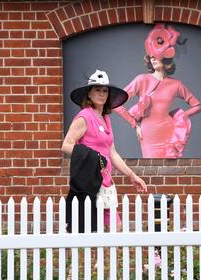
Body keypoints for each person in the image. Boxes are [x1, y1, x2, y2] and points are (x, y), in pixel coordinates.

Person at [62, 69, 147, 233]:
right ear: (89, 94)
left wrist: (132, 175)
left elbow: (112, 152)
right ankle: (94, 259)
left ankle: (104, 260)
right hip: (90, 182)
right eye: (97, 90)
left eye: (105, 91)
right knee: (88, 230)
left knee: (115, 227)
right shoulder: (84, 117)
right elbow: (66, 145)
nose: (101, 94)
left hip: (106, 182)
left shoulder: (106, 118)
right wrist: (92, 156)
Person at [114, 23, 201, 158]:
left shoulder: (176, 84)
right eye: (151, 56)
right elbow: (115, 102)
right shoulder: (141, 80)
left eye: (156, 55)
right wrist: (134, 124)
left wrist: (182, 115)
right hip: (148, 134)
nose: (153, 59)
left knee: (169, 172)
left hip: (169, 131)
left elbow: (198, 105)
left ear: (166, 57)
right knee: (152, 171)